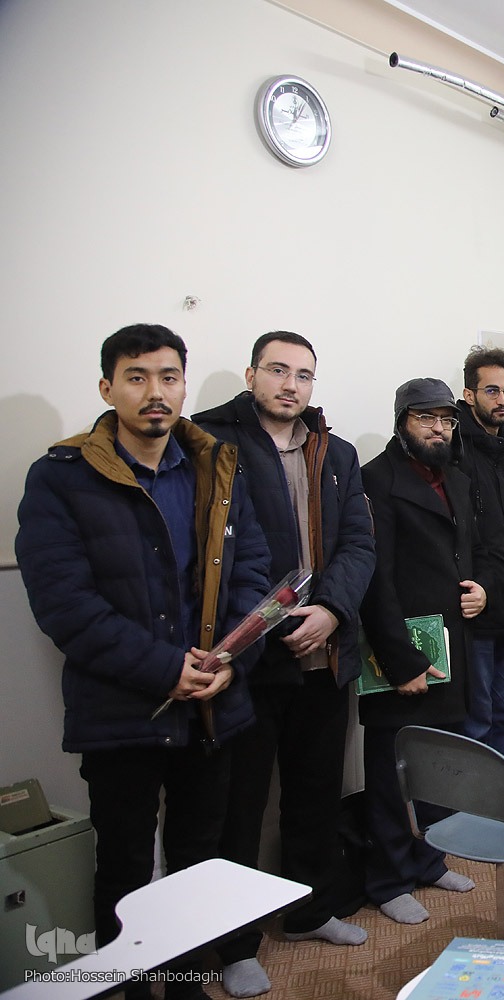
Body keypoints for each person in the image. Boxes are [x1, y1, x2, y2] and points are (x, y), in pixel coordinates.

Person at [16, 324, 271, 1000]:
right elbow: (65, 606)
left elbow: (250, 569)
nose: (155, 392)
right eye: (137, 377)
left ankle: (186, 988)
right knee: (126, 866)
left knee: (198, 863)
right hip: (122, 709)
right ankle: (129, 989)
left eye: (168, 377)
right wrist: (164, 669)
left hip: (212, 703)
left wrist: (231, 658)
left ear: (183, 386)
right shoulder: (60, 478)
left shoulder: (218, 466)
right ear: (108, 388)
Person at [194, 332, 376, 996]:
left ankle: (309, 911)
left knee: (314, 793)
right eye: (278, 370)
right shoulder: (210, 442)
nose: (290, 384)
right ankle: (234, 944)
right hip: (249, 658)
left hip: (323, 651)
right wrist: (256, 627)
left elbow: (358, 544)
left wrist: (331, 609)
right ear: (251, 375)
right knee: (240, 807)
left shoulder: (336, 451)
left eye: (303, 375)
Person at [359, 379, 489, 924]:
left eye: (446, 419)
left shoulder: (456, 478)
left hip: (451, 645)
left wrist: (482, 591)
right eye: (425, 418)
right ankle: (389, 880)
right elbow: (374, 580)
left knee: (438, 766)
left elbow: (468, 554)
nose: (439, 429)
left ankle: (429, 860)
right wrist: (401, 662)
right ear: (401, 422)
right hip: (398, 654)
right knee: (392, 773)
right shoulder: (375, 480)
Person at [456, 346, 504, 757]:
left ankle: (500, 793)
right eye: (492, 391)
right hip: (476, 608)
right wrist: (478, 585)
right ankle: (474, 796)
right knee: (477, 717)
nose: (502, 400)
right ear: (469, 395)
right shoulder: (454, 449)